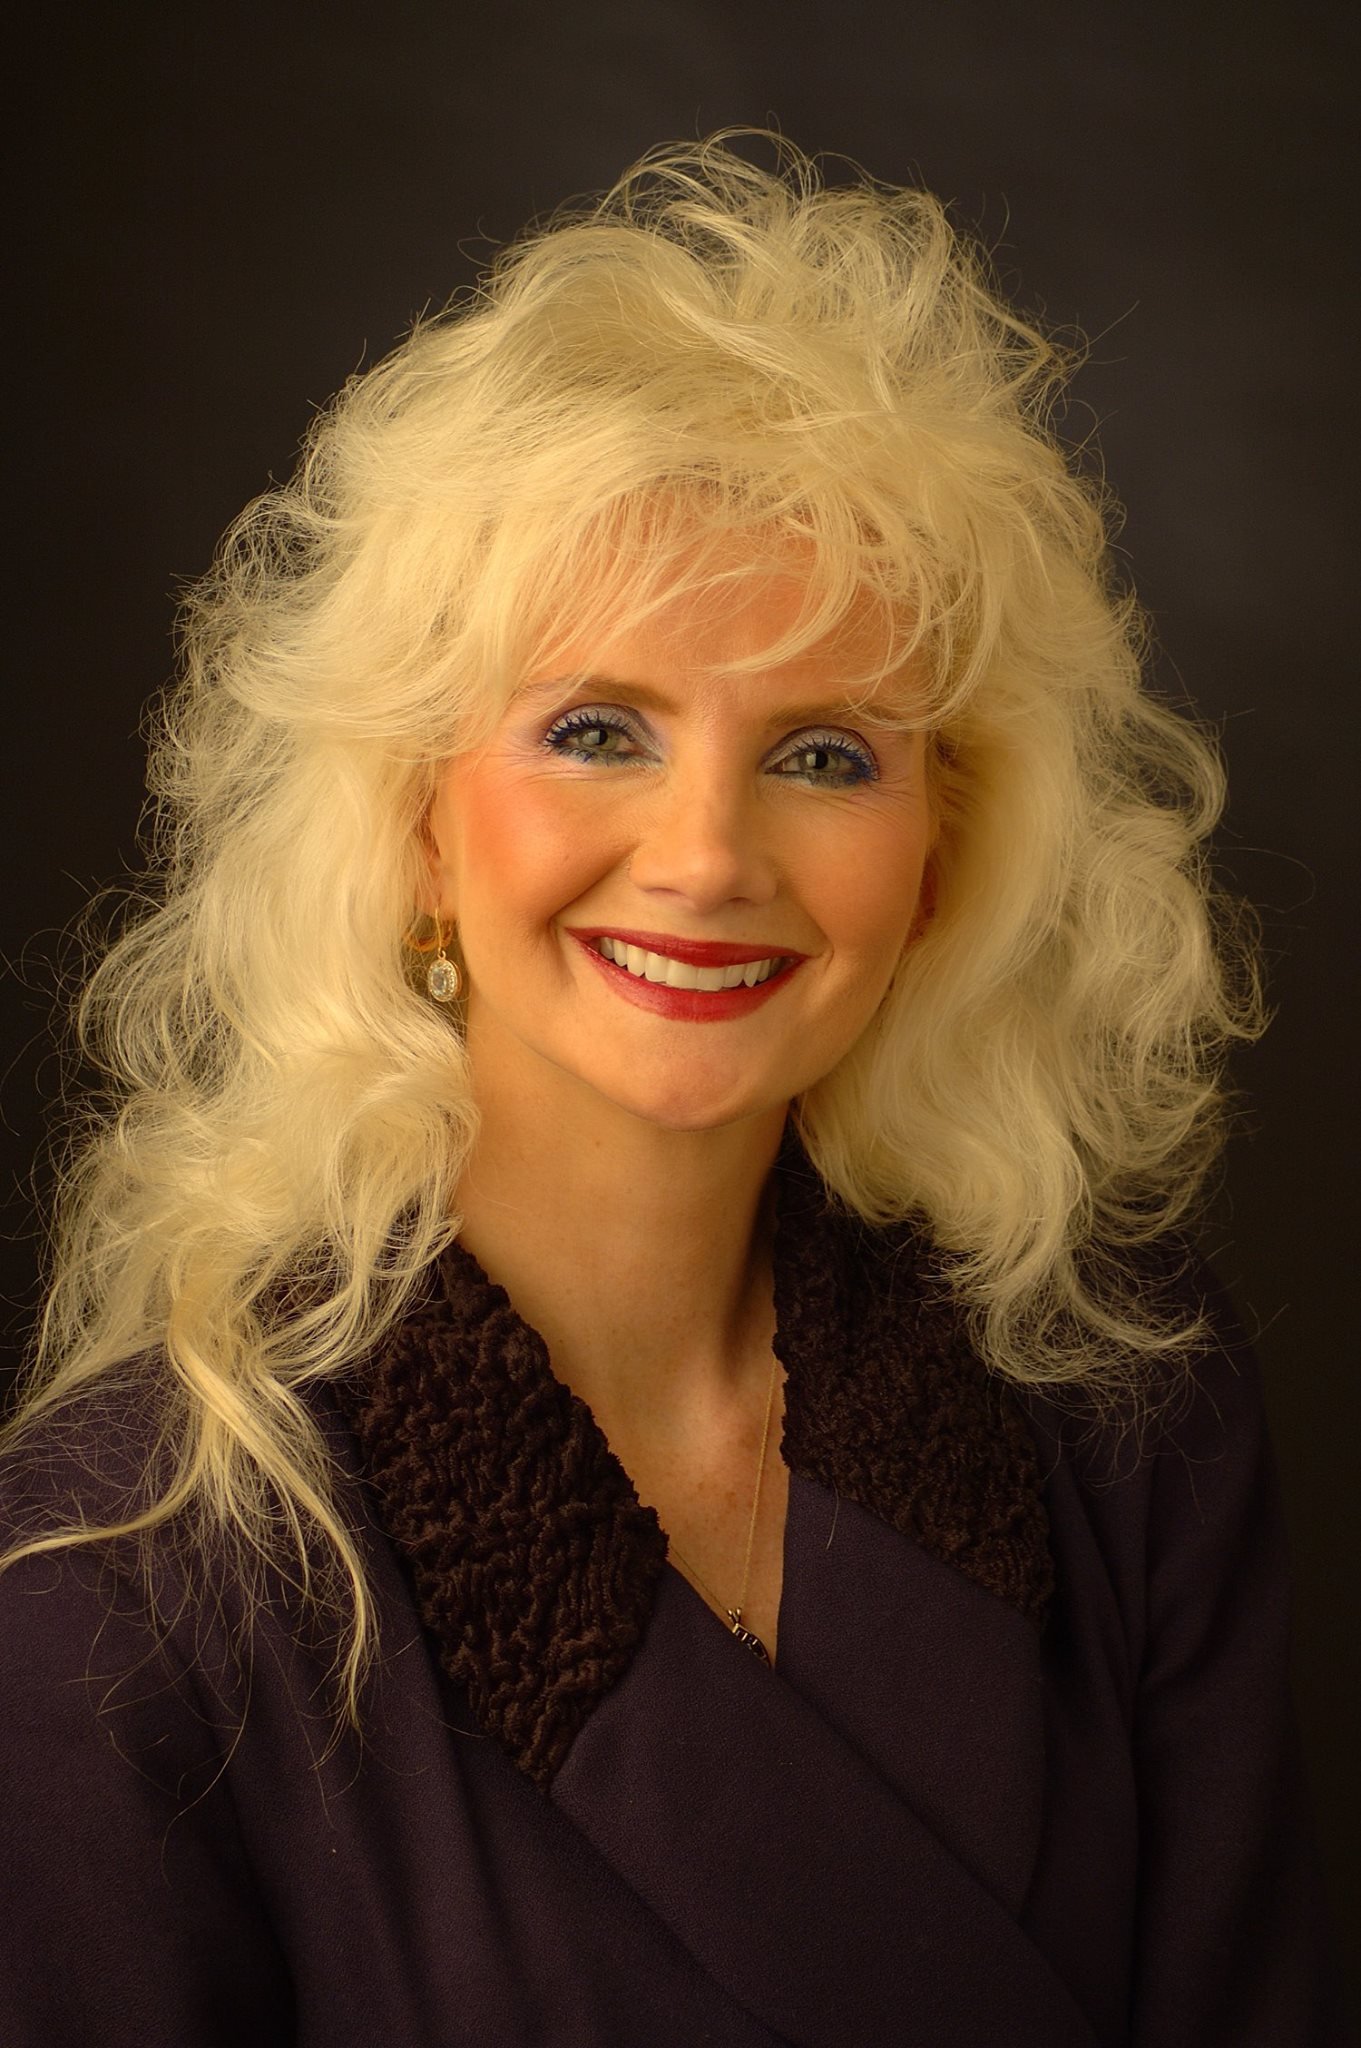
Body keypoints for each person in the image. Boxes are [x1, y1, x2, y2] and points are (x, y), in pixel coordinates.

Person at [0, 133, 1347, 2047]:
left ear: (944, 861)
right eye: (595, 731)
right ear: (420, 832)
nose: (706, 855)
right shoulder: (134, 1570)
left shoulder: (1124, 1409)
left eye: (824, 754)